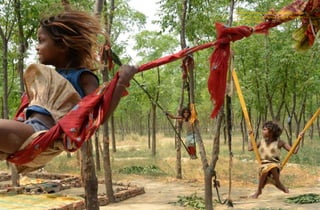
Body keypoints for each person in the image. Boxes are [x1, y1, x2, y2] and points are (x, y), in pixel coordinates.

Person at [0, 10, 137, 173]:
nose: (37, 47)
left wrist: (122, 81)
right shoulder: (50, 77)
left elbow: (99, 114)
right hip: (26, 127)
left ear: (62, 45)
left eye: (41, 41)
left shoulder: (83, 77)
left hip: (41, 134)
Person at [248, 121, 301, 198]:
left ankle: (272, 185)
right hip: (263, 165)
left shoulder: (280, 143)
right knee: (265, 168)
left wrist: (299, 139)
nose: (262, 131)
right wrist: (250, 137)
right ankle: (275, 184)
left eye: (265, 129)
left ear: (271, 132)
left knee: (270, 166)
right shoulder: (261, 142)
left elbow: (294, 151)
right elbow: (250, 148)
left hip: (275, 166)